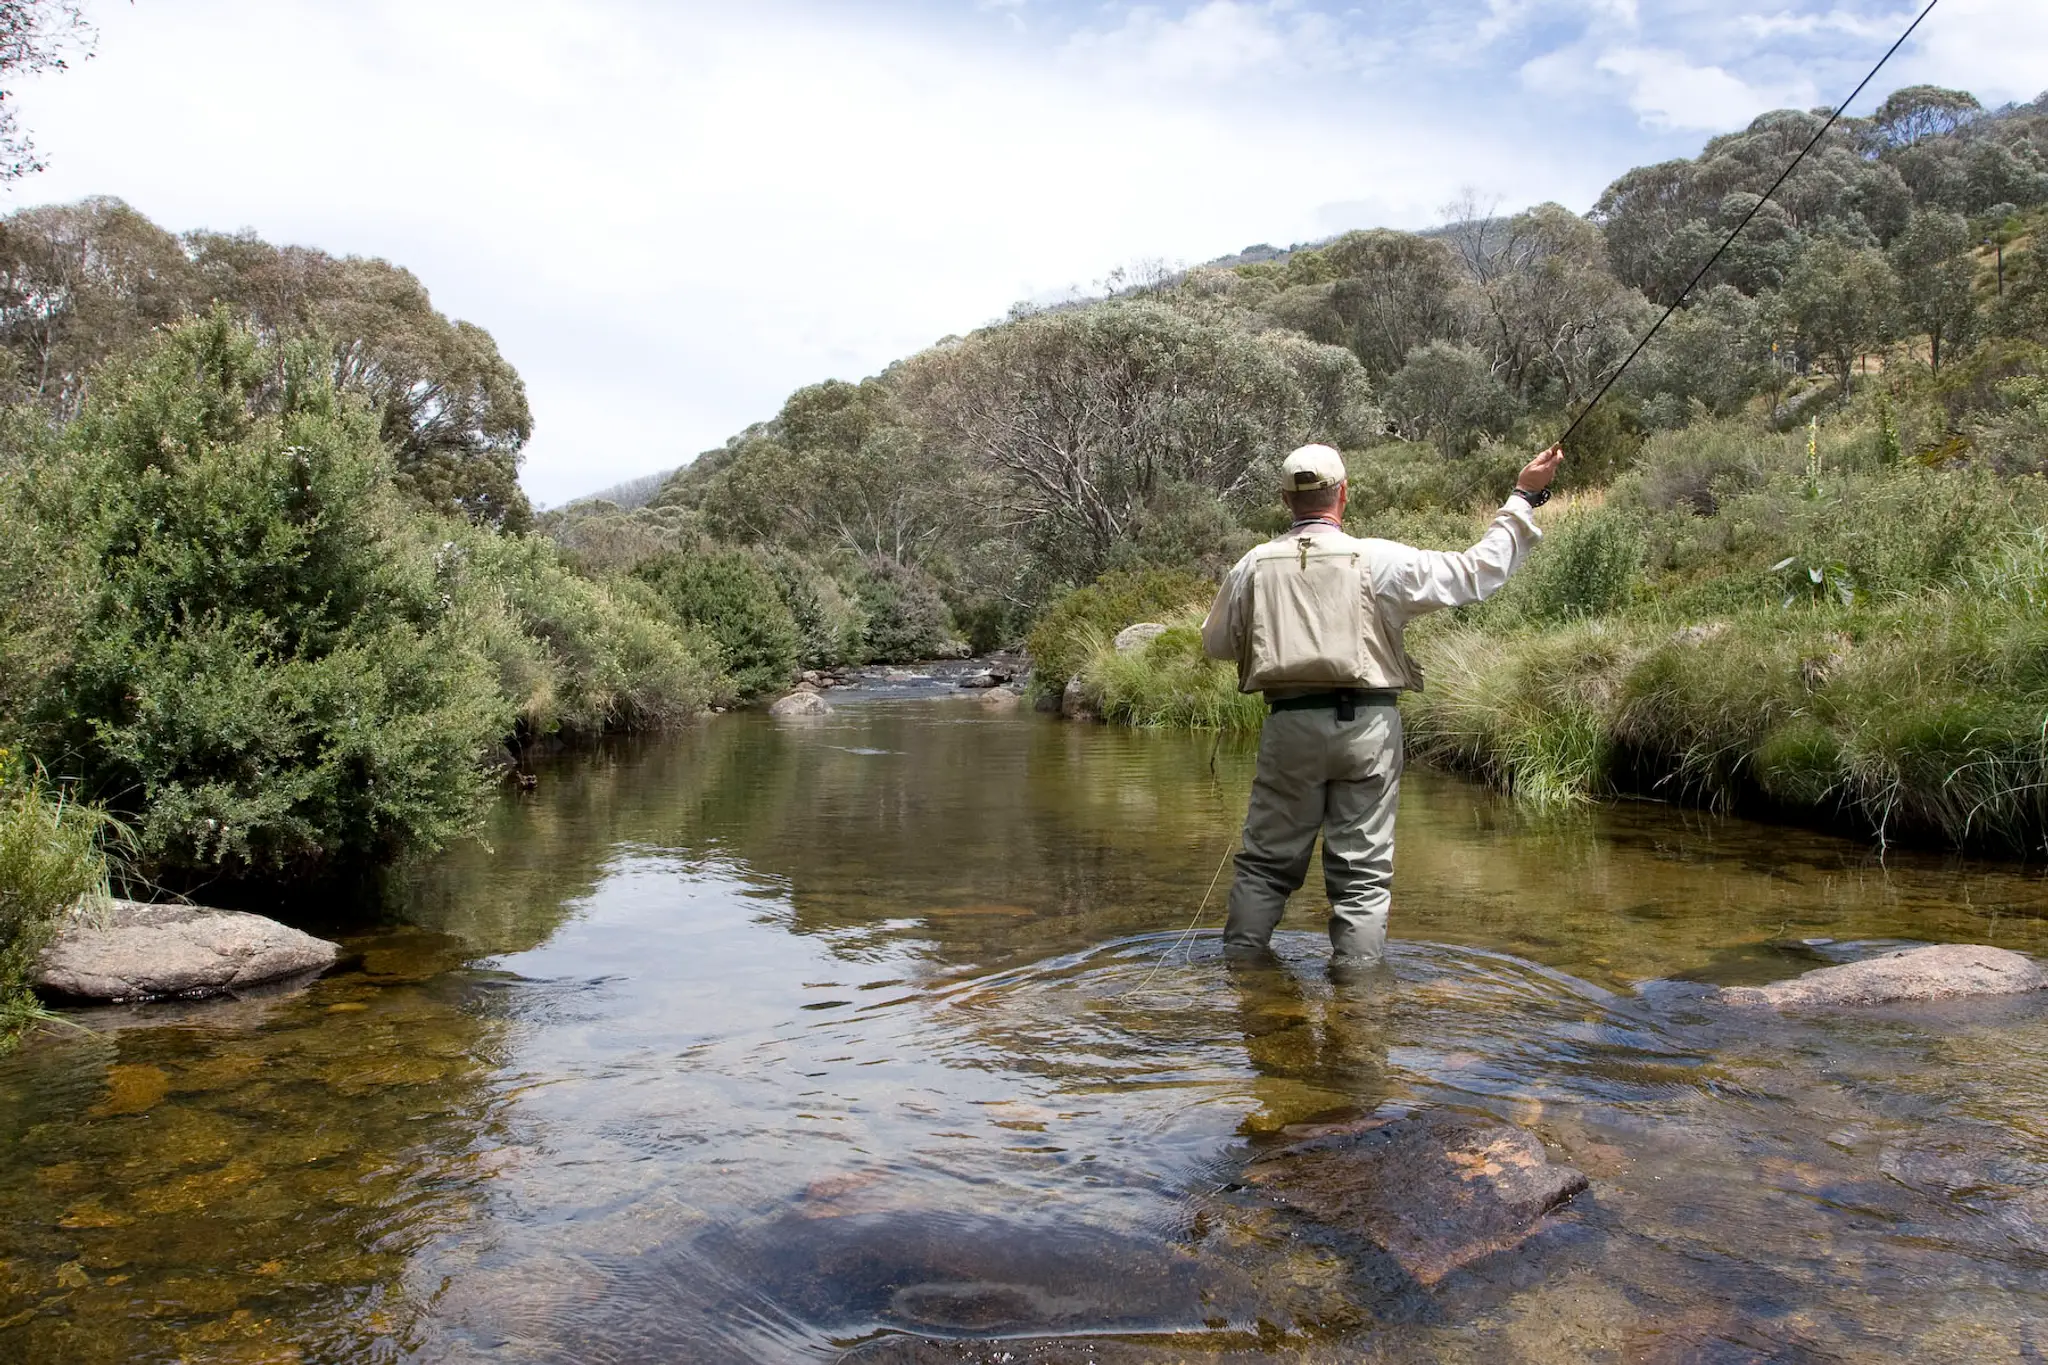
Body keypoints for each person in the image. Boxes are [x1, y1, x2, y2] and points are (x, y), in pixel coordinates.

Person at [1200, 440, 1564, 968]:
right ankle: (1358, 997)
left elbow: (1215, 644)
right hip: (1369, 728)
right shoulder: (1379, 560)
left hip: (1289, 726)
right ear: (1343, 494)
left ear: (1285, 500)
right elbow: (1476, 573)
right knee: (1362, 876)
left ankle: (1243, 977)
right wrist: (1523, 498)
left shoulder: (1252, 565)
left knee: (1264, 865)